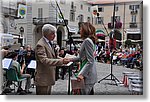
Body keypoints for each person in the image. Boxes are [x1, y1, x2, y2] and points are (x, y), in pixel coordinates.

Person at [34, 24, 70, 95]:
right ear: (46, 34)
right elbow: (44, 60)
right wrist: (61, 61)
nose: (54, 36)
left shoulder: (49, 43)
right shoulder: (40, 45)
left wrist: (63, 59)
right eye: (52, 34)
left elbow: (53, 57)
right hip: (43, 78)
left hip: (48, 77)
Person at [71, 22, 98, 95]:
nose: (80, 30)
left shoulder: (87, 41)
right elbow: (81, 57)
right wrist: (70, 59)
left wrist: (82, 74)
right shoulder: (89, 41)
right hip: (89, 73)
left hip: (87, 75)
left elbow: (90, 60)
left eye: (81, 29)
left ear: (85, 30)